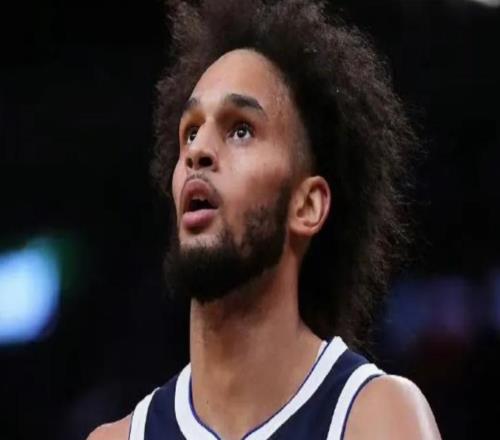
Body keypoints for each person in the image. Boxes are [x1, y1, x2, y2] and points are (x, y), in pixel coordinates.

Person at [88, 0, 441, 438]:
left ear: (307, 206)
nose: (198, 151)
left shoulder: (375, 418)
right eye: (191, 131)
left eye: (241, 130)